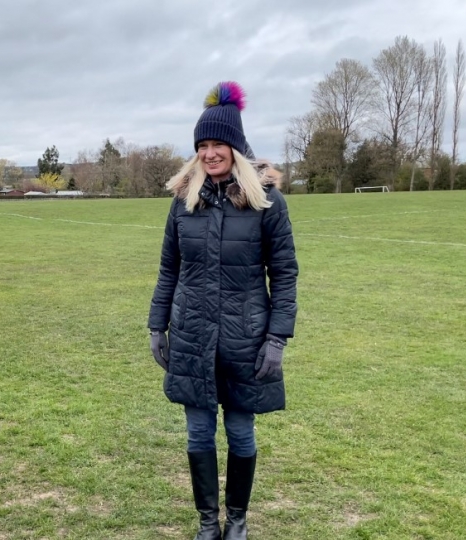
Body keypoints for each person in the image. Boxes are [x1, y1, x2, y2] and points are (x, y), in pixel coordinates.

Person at [148, 81, 298, 540]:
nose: (211, 153)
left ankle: (237, 520)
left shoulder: (265, 203)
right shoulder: (182, 203)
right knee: (197, 433)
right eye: (203, 146)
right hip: (192, 333)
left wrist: (276, 338)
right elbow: (168, 268)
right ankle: (207, 523)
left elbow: (286, 274)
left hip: (245, 337)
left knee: (239, 431)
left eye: (219, 144)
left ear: (236, 147)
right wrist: (157, 324)